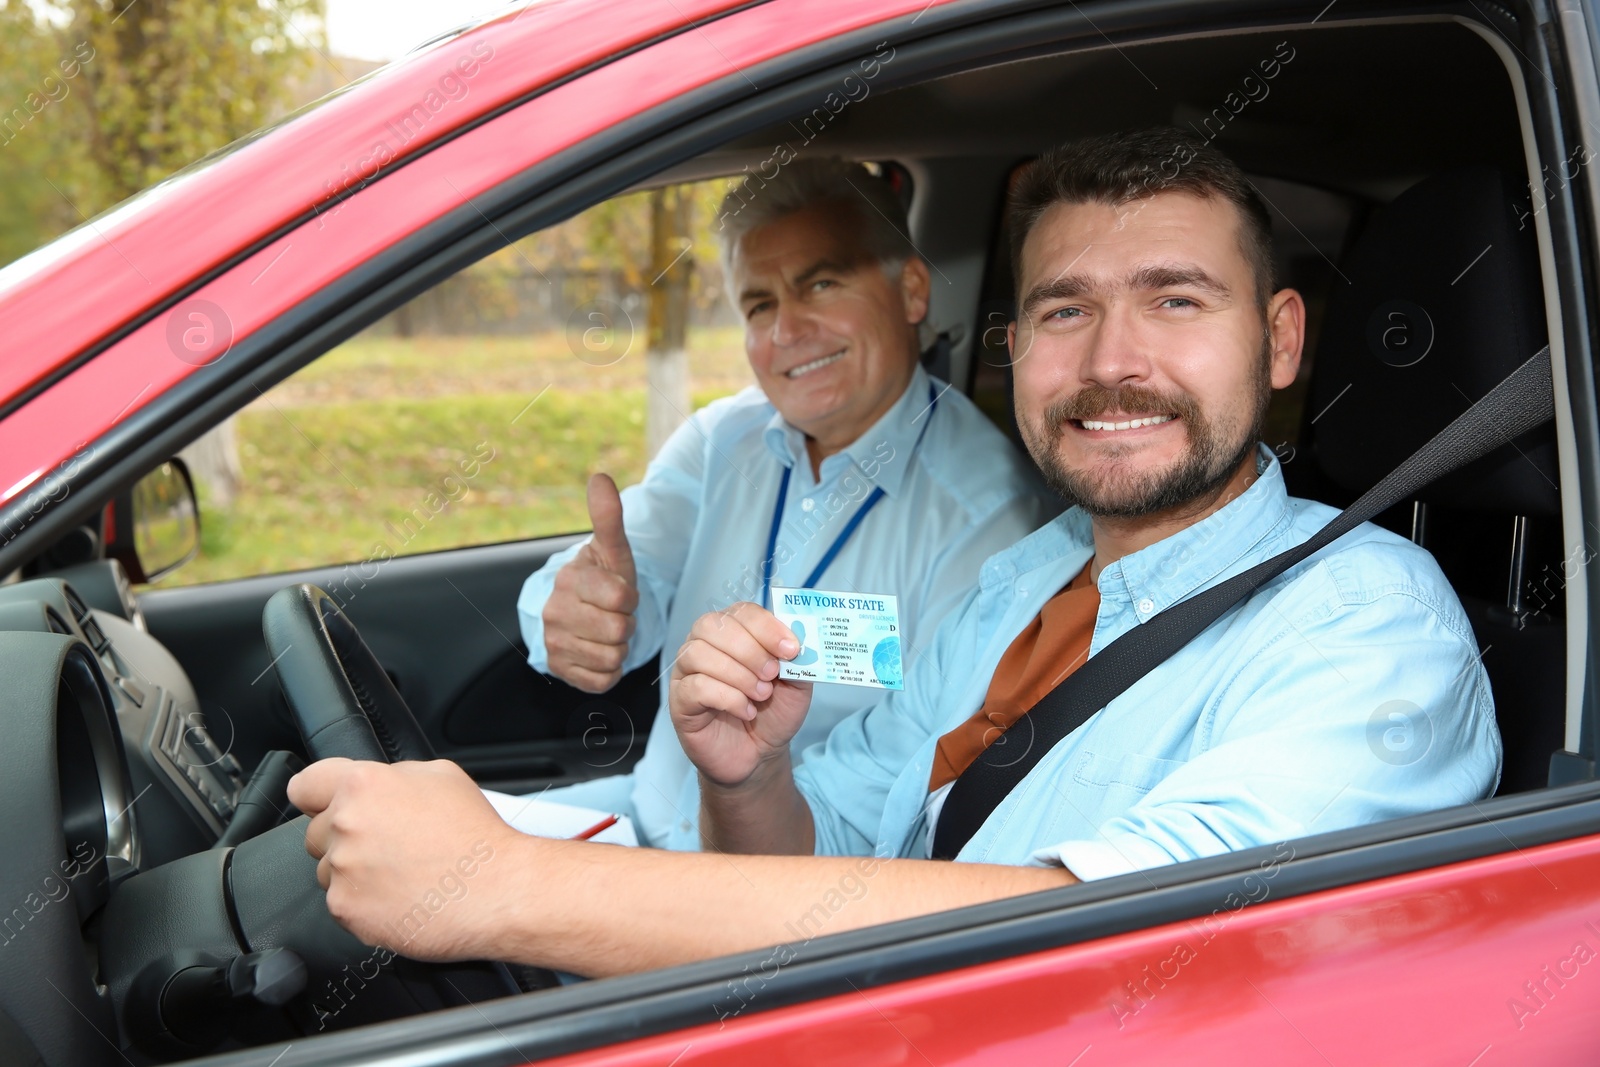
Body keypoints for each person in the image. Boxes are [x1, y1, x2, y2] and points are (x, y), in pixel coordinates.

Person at [289, 128, 1501, 979]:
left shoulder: (1370, 624)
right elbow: (830, 849)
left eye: (1176, 300)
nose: (1111, 360)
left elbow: (1100, 938)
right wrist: (746, 774)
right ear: (1013, 341)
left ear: (1281, 340)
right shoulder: (1021, 587)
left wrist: (505, 888)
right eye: (1065, 310)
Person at [514, 158, 1056, 848]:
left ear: (912, 289)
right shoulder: (721, 441)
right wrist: (574, 613)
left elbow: (904, 798)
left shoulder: (990, 519)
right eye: (759, 305)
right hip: (640, 818)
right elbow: (624, 584)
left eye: (821, 283)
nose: (786, 332)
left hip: (783, 886)